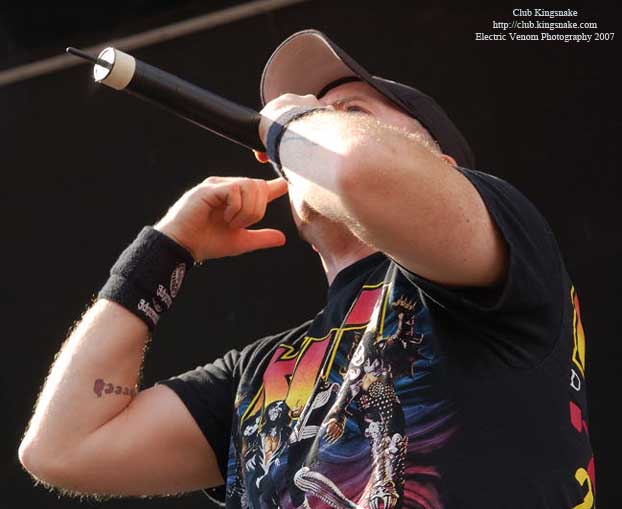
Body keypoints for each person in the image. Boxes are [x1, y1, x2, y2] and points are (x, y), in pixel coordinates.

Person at [19, 29, 595, 509]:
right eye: (311, 120)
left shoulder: (502, 241)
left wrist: (295, 119)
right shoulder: (258, 374)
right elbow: (62, 448)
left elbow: (360, 168)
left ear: (440, 162)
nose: (311, 127)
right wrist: (165, 251)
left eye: (349, 113)